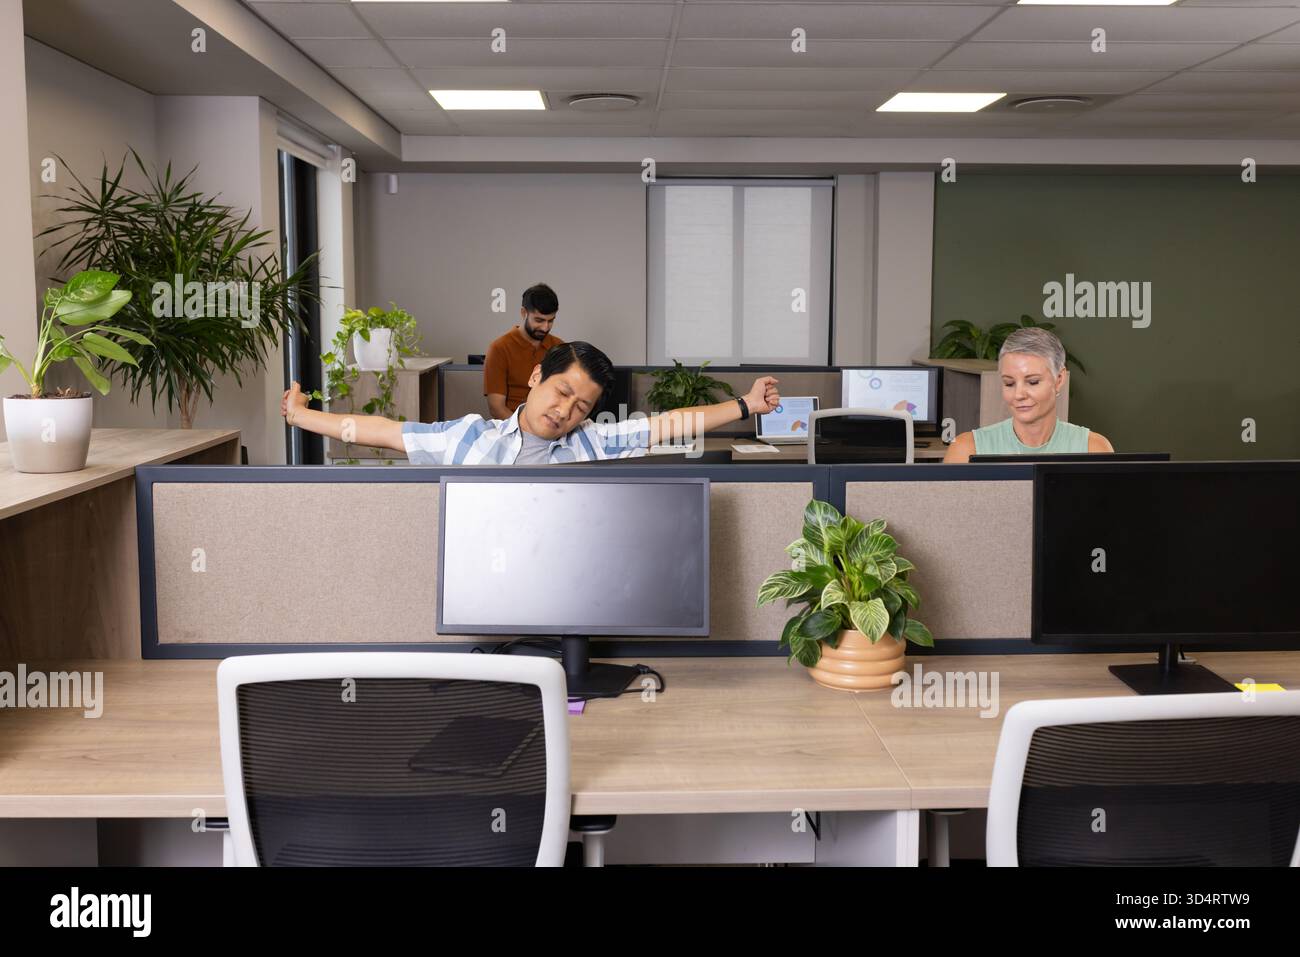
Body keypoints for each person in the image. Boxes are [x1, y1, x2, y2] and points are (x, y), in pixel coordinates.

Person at [282, 341, 781, 466]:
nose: (567, 411)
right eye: (563, 393)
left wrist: (745, 405)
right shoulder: (470, 438)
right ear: (537, 376)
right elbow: (380, 430)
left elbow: (670, 424)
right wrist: (302, 416)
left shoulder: (596, 442)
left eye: (582, 406)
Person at [943, 327, 1113, 463]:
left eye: (1032, 382)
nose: (1018, 395)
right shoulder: (965, 450)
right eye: (1009, 383)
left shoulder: (1094, 448)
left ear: (1059, 379)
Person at [483, 283, 563, 420]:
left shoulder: (560, 347)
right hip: (512, 427)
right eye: (539, 320)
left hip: (551, 427)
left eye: (550, 321)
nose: (545, 327)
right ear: (523, 313)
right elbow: (496, 408)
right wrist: (526, 433)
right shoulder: (499, 348)